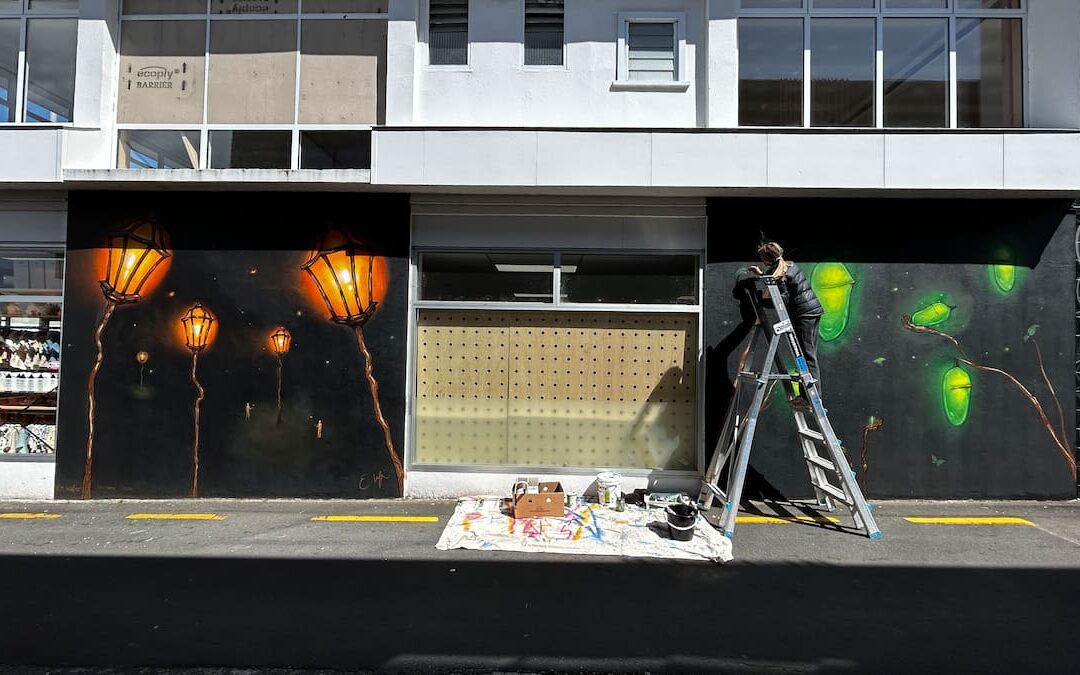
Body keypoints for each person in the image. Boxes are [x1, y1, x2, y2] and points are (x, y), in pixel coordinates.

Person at [745, 241, 825, 403]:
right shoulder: (786, 265)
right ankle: (807, 396)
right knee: (805, 354)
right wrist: (761, 275)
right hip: (810, 311)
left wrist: (761, 299)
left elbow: (781, 300)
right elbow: (774, 277)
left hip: (805, 314)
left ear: (767, 258)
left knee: (806, 355)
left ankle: (811, 399)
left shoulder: (782, 274)